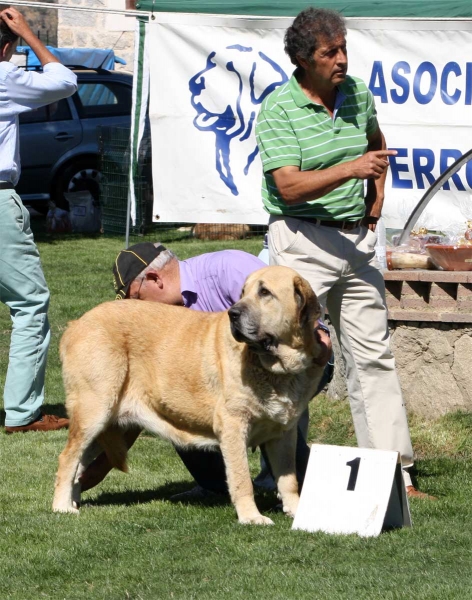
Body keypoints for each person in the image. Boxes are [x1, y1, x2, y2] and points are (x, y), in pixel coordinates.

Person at [255, 7, 430, 499]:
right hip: (300, 240)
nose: (342, 60)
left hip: (355, 243)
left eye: (344, 48)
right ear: (302, 59)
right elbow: (287, 186)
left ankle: (396, 476)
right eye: (330, 52)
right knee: (290, 358)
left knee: (374, 355)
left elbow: (377, 143)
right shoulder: (278, 109)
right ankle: (285, 475)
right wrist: (352, 170)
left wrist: (375, 200)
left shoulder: (357, 94)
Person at [79, 242, 333, 497]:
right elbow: (139, 404)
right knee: (175, 397)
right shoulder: (167, 320)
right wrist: (100, 468)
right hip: (241, 380)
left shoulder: (230, 268)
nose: (137, 309)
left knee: (281, 430)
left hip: (299, 362)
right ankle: (215, 486)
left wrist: (319, 330)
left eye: (136, 298)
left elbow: (292, 308)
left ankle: (288, 485)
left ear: (155, 280)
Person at [1, 8, 77, 433]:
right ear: (6, 46)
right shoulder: (4, 77)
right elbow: (65, 81)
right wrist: (28, 33)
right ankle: (21, 413)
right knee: (30, 304)